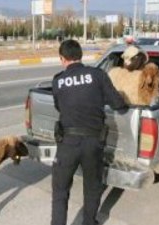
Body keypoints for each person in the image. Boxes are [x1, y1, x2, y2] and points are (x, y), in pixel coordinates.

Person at [51, 39, 127, 225]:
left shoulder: (58, 80)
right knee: (92, 187)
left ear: (62, 58)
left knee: (60, 191)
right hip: (93, 142)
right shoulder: (98, 75)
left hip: (67, 142)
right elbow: (118, 104)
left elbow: (59, 106)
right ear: (80, 56)